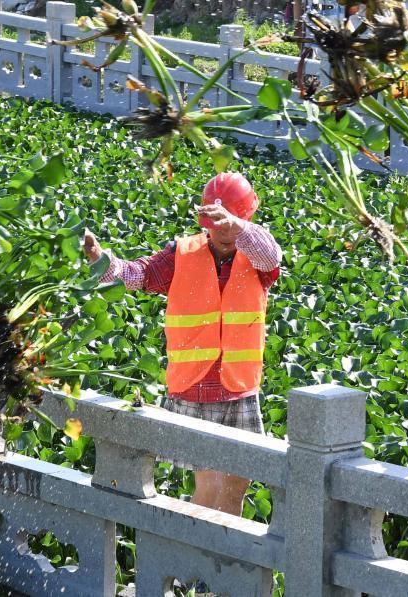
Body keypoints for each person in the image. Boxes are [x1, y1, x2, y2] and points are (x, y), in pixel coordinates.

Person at [82, 173, 282, 516]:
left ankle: (224, 559)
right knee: (211, 484)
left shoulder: (257, 255)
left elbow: (272, 257)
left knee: (237, 485)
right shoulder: (181, 254)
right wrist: (99, 258)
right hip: (195, 386)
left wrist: (238, 227)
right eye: (214, 223)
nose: (220, 231)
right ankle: (191, 559)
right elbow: (134, 275)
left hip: (240, 386)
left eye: (228, 222)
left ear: (244, 217)